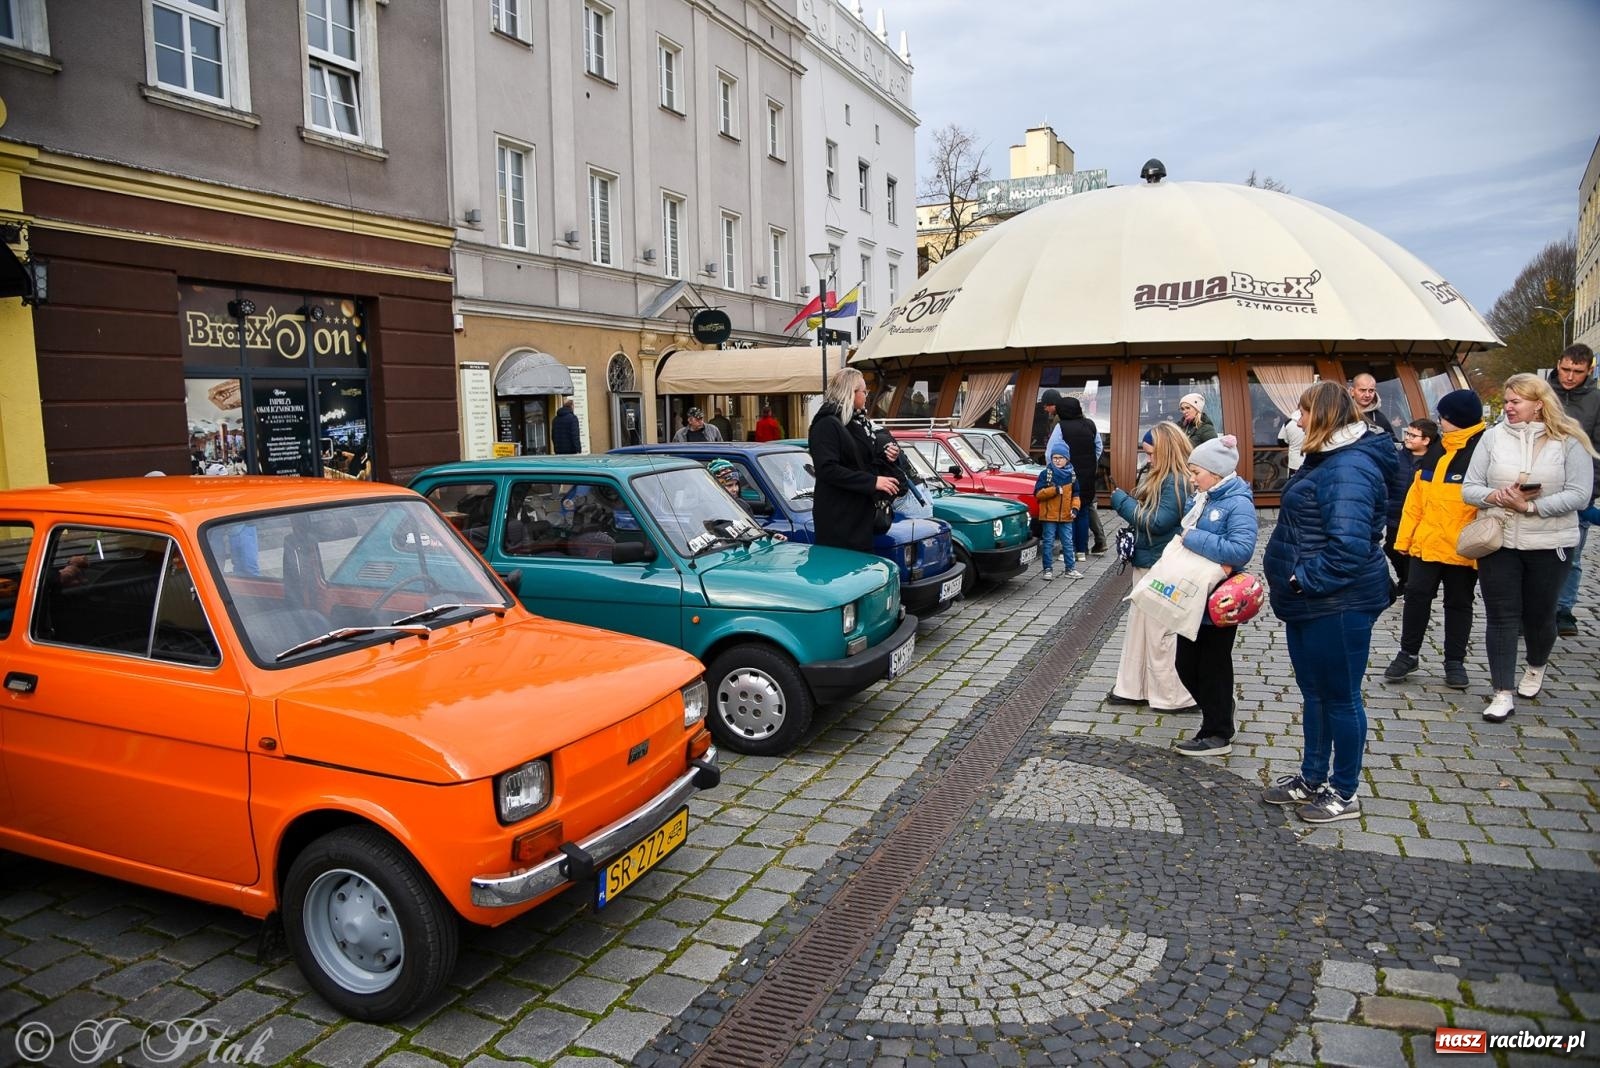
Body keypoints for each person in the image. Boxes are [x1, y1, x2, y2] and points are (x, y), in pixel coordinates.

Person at [1261, 381, 1397, 824]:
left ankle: (1344, 792)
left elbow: (1350, 547)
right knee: (1314, 693)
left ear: (1322, 416)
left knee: (1340, 697)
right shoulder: (1325, 458)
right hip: (1311, 603)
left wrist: (1302, 581)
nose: (1295, 421)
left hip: (1338, 602)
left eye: (1301, 413)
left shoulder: (1349, 468)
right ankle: (1311, 778)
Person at [1461, 372, 1597, 722]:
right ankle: (1502, 691)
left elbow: (1580, 494)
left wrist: (1533, 506)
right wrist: (1498, 496)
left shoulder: (1568, 440)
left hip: (1550, 543)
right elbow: (1469, 487)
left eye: (1515, 401)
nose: (1508, 407)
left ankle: (1536, 666)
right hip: (1500, 540)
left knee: (1539, 616)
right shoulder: (1491, 438)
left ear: (1539, 403)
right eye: (1506, 401)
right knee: (1501, 616)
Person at [1385, 392, 1486, 691]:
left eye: (1443, 415)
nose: (1439, 420)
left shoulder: (1483, 449)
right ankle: (1408, 654)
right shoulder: (1437, 450)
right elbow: (1414, 501)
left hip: (1462, 546)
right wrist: (1403, 540)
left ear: (1455, 417)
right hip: (1426, 544)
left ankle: (1454, 661)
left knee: (1459, 603)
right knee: (1416, 596)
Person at [1172, 435, 1259, 756]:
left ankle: (1217, 732)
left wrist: (1192, 538)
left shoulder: (1236, 502)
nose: (1192, 478)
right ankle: (1220, 709)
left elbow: (1241, 549)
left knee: (1212, 667)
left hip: (1218, 601)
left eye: (1196, 472)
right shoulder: (1206, 498)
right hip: (1193, 595)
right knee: (1185, 665)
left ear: (1216, 472)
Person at [1107, 421, 1195, 710]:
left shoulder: (1176, 480)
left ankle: (1173, 696)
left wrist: (1121, 502)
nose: (1148, 458)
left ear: (1166, 450)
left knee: (1160, 634)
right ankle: (1132, 688)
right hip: (1151, 561)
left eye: (1151, 453)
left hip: (1162, 564)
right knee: (1140, 628)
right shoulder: (1166, 476)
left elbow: (1157, 522)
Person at [809, 368, 903, 553]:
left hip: (859, 515)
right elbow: (827, 469)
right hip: (839, 518)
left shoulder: (856, 422)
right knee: (844, 573)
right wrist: (873, 482)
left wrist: (886, 456)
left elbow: (859, 461)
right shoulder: (826, 424)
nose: (867, 396)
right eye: (864, 391)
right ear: (851, 392)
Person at [1549, 343, 1600, 636]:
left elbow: (1598, 449)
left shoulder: (1595, 401)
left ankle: (1563, 609)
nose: (1569, 376)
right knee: (1532, 553)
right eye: (1565, 369)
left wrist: (1591, 489)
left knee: (1572, 554)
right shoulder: (1541, 393)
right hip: (1540, 484)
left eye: (1577, 372)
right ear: (1558, 364)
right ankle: (1532, 610)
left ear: (1589, 370)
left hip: (1579, 490)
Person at [1385, 418, 1444, 592]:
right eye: (1407, 434)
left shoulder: (1436, 460)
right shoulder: (1398, 456)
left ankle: (1412, 584)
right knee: (1391, 547)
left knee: (1413, 553)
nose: (1408, 438)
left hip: (1421, 516)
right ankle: (1405, 579)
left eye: (1413, 435)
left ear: (1426, 440)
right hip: (1396, 513)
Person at [1041, 391, 1103, 557]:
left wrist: (1055, 470)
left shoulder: (1061, 427)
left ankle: (1069, 550)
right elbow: (1098, 447)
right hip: (1088, 475)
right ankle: (1082, 551)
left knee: (1068, 514)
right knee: (1082, 511)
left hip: (1068, 475)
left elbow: (1050, 452)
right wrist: (1091, 462)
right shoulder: (1090, 424)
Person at [1033, 441, 1083, 581]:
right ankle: (1047, 569)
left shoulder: (1072, 476)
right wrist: (1054, 490)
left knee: (1068, 542)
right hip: (1049, 516)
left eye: (1060, 458)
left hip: (1066, 515)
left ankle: (1070, 569)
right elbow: (1038, 494)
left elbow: (1076, 495)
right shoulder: (1046, 474)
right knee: (1048, 542)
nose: (1057, 460)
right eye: (1055, 458)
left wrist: (1075, 508)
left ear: (1067, 459)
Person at [1349, 373, 1395, 438]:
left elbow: (1391, 442)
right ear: (1352, 391)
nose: (1367, 395)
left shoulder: (1379, 418)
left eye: (1371, 391)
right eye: (1362, 390)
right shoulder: (1339, 412)